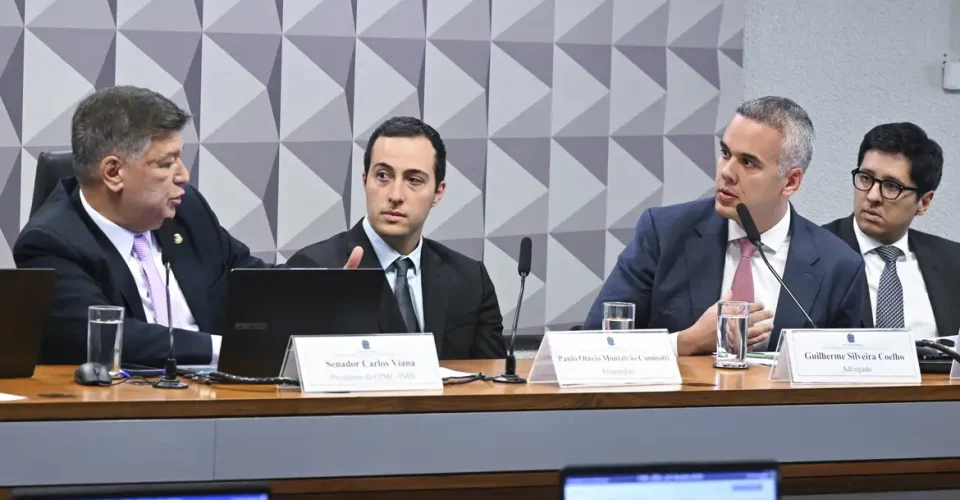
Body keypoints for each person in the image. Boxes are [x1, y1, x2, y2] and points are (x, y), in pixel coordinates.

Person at [14, 85, 274, 367]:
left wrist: (318, 291)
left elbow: (253, 281)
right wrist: (226, 348)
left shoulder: (186, 211)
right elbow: (106, 337)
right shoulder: (50, 244)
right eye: (166, 164)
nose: (184, 176)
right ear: (113, 173)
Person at [583, 96, 865, 354]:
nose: (727, 172)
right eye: (726, 153)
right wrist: (688, 342)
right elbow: (594, 344)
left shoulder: (839, 266)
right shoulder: (664, 234)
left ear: (790, 181)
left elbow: (853, 378)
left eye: (748, 163)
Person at [287, 116, 507, 359]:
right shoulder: (313, 268)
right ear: (365, 181)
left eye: (414, 180)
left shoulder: (471, 280)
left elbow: (495, 386)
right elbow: (286, 381)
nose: (395, 194)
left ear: (438, 192)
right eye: (383, 176)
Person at [823, 122, 960, 339]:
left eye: (891, 186)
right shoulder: (815, 251)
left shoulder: (953, 261)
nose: (872, 196)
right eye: (866, 178)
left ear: (924, 202)